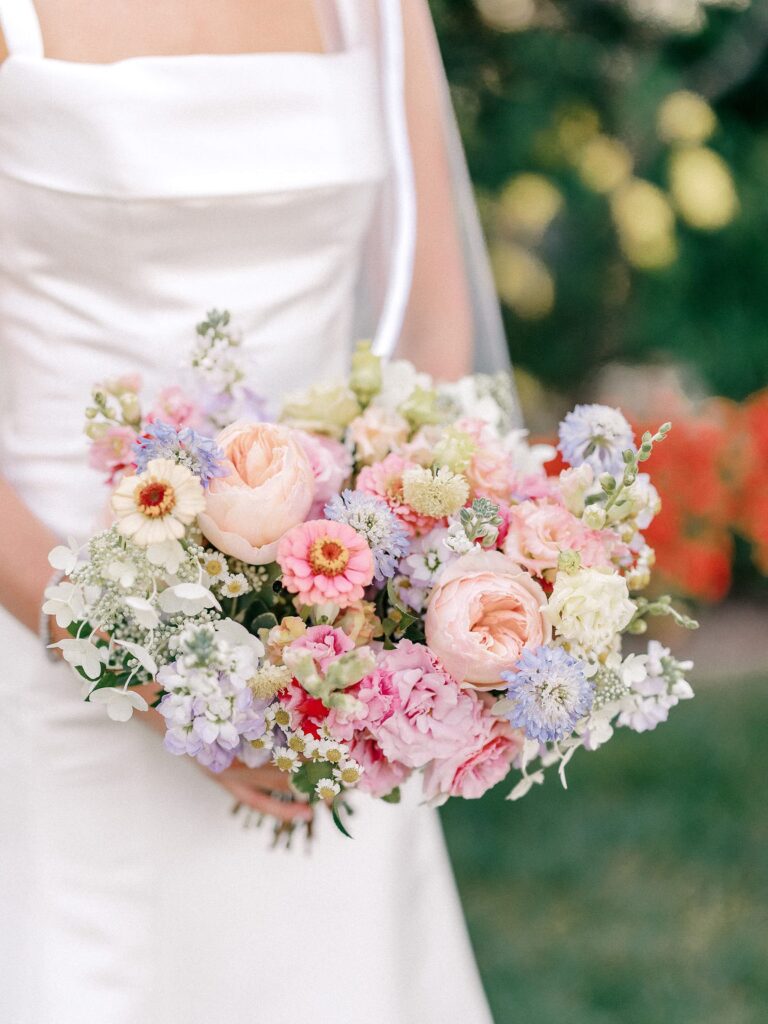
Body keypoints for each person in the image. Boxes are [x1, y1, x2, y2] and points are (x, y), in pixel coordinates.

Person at [0, 2, 504, 1021]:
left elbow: (430, 322)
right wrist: (136, 666)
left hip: (324, 658)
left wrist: (352, 647)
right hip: (46, 642)